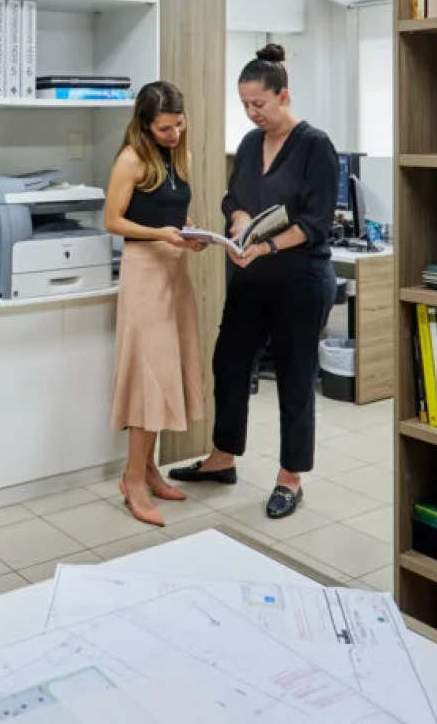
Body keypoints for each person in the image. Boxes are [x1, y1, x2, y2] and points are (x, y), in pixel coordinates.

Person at [169, 43, 339, 519]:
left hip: (300, 280)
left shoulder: (315, 146)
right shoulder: (248, 144)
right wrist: (240, 217)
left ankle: (291, 477)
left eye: (259, 103)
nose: (251, 113)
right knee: (229, 362)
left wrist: (265, 246)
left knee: (294, 377)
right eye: (244, 104)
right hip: (250, 277)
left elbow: (316, 223)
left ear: (283, 95)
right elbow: (233, 198)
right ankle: (222, 457)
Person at [104, 80, 209, 526]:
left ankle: (148, 470)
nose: (174, 134)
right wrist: (160, 235)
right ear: (145, 125)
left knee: (168, 375)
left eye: (179, 125)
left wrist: (188, 233)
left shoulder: (178, 156)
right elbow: (113, 221)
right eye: (165, 128)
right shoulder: (131, 159)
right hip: (144, 271)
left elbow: (170, 212)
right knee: (150, 378)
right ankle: (132, 479)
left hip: (174, 271)